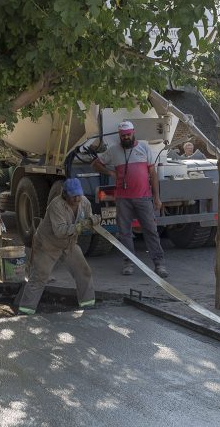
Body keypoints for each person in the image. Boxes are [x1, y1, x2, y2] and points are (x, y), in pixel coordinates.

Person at [93, 121, 168, 278]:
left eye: (128, 134)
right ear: (119, 136)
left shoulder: (144, 148)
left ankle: (159, 264)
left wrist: (157, 197)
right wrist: (110, 173)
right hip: (123, 199)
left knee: (151, 230)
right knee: (124, 232)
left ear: (133, 133)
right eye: (123, 136)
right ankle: (128, 263)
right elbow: (96, 164)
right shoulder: (113, 150)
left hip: (143, 197)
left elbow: (153, 174)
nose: (126, 137)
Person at [17, 178, 97, 315]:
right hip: (47, 245)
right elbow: (60, 232)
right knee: (39, 276)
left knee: (84, 272)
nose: (77, 199)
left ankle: (88, 306)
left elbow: (87, 221)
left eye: (79, 195)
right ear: (64, 194)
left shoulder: (85, 202)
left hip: (69, 244)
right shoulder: (56, 205)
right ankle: (25, 312)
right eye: (74, 196)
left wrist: (93, 222)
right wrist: (82, 225)